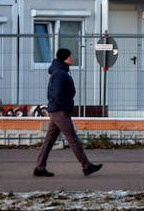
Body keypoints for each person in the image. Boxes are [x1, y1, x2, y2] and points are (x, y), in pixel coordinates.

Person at [34, 48, 102, 177]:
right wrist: (64, 108)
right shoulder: (60, 73)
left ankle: (39, 167)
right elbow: (57, 94)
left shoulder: (60, 71)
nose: (72, 58)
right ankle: (86, 166)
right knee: (72, 138)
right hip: (60, 111)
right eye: (70, 56)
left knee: (49, 140)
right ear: (65, 58)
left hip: (56, 110)